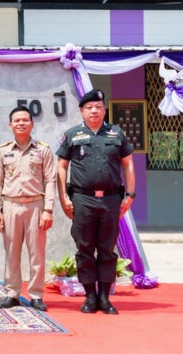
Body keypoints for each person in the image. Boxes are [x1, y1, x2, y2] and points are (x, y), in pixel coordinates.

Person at [56, 88, 135, 315]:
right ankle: (90, 296)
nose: (94, 111)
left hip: (111, 200)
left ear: (104, 109)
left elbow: (128, 164)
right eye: (89, 107)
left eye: (98, 107)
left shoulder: (116, 134)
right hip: (82, 199)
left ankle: (104, 297)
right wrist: (63, 197)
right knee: (85, 249)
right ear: (81, 111)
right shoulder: (72, 135)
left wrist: (130, 195)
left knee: (107, 249)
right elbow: (62, 167)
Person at [0, 106, 56, 311]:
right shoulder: (3, 151)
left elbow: (51, 180)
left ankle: (36, 294)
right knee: (12, 252)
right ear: (10, 125)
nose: (21, 123)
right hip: (10, 205)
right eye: (16, 120)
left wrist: (48, 210)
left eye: (25, 120)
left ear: (32, 124)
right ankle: (12, 293)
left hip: (36, 205)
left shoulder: (43, 150)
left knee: (37, 253)